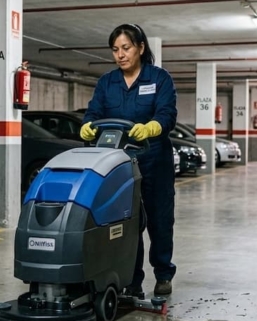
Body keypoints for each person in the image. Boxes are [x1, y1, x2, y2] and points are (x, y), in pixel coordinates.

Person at [80, 23, 178, 296]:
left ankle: (163, 273)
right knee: (126, 221)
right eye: (115, 50)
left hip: (154, 160)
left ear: (141, 48)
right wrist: (87, 124)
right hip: (120, 164)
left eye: (126, 48)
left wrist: (152, 127)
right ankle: (131, 279)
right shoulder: (107, 82)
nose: (120, 55)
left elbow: (167, 114)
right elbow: (94, 112)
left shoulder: (159, 78)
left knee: (159, 219)